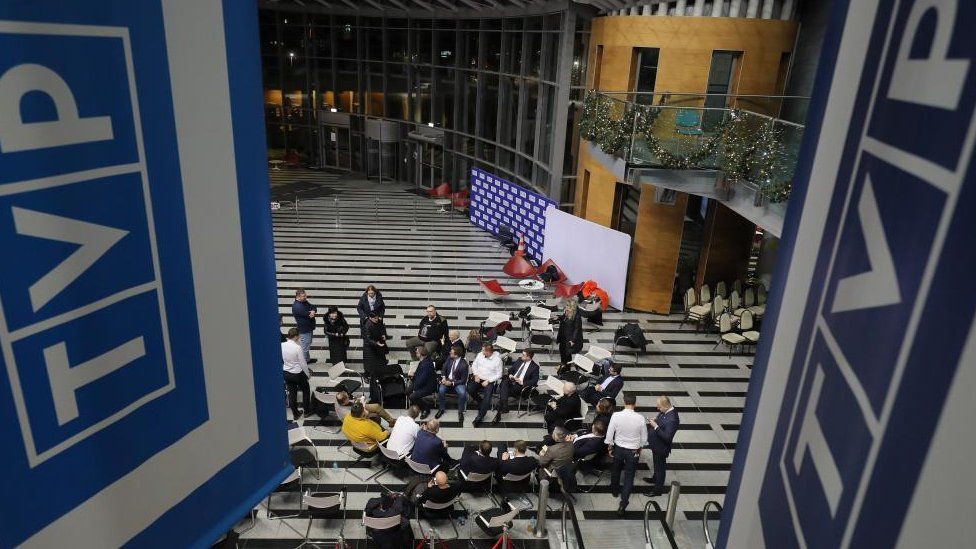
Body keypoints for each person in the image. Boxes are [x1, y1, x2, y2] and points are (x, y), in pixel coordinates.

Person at [606, 394, 648, 515]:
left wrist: (610, 446)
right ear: (635, 403)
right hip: (633, 451)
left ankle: (614, 490)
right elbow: (644, 438)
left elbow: (610, 433)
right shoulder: (640, 418)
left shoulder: (616, 415)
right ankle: (623, 503)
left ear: (624, 402)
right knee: (629, 476)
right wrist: (639, 448)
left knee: (616, 470)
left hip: (619, 448)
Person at [643, 396, 681, 497]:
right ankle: (655, 478)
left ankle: (657, 490)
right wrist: (656, 419)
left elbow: (667, 437)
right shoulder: (665, 412)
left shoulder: (672, 419)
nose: (658, 409)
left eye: (659, 407)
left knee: (660, 468)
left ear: (665, 406)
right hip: (656, 445)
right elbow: (661, 418)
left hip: (661, 447)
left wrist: (655, 426)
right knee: (656, 463)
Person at [493, 349, 540, 423]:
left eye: (523, 355)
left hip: (520, 385)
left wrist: (522, 382)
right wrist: (511, 374)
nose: (521, 356)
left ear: (529, 357)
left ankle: (500, 411)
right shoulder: (519, 360)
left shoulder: (535, 367)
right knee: (505, 382)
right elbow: (511, 370)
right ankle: (505, 406)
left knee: (504, 390)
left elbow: (534, 381)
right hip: (511, 380)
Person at [468, 343, 503, 425]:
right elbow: (474, 365)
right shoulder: (480, 355)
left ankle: (480, 416)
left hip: (489, 381)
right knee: (469, 388)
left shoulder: (497, 360)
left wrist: (489, 381)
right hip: (478, 378)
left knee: (487, 399)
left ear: (488, 352)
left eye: (483, 350)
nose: (481, 351)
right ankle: (480, 401)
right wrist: (476, 374)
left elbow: (499, 374)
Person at [282, 327, 312, 419]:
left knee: (292, 393)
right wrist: (307, 374)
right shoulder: (297, 347)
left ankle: (295, 414)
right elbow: (303, 363)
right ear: (295, 336)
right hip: (297, 373)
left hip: (286, 372)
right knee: (306, 390)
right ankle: (306, 411)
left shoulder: (282, 345)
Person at [436, 346, 469, 422]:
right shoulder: (449, 358)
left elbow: (463, 380)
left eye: (451, 352)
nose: (450, 352)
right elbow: (444, 368)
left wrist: (451, 383)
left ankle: (460, 412)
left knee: (462, 393)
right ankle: (441, 409)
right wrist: (444, 377)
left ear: (456, 355)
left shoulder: (464, 365)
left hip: (457, 382)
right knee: (441, 390)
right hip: (447, 379)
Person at [409, 346, 438, 419]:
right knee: (407, 391)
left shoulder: (426, 364)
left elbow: (422, 379)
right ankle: (418, 404)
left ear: (421, 354)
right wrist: (413, 376)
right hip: (422, 383)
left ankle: (426, 408)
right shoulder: (423, 360)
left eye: (417, 352)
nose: (416, 353)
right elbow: (418, 374)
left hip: (428, 386)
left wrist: (415, 387)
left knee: (412, 396)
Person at [291, 289, 318, 363]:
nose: (306, 297)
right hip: (304, 329)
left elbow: (313, 307)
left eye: (305, 295)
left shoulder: (304, 301)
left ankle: (307, 359)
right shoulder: (297, 306)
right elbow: (309, 315)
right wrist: (312, 312)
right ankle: (303, 363)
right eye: (303, 296)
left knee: (307, 344)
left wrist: (313, 310)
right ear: (298, 297)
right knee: (304, 347)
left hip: (308, 328)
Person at [556, 298, 583, 364]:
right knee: (562, 351)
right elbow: (564, 317)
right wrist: (559, 318)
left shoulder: (577, 316)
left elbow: (577, 329)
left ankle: (566, 367)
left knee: (567, 353)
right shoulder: (567, 311)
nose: (566, 306)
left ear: (572, 307)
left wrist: (573, 340)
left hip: (569, 338)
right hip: (563, 335)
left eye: (568, 305)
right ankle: (563, 364)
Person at [362, 312, 389, 377]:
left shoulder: (379, 321)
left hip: (378, 344)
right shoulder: (367, 326)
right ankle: (366, 376)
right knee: (369, 363)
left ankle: (380, 373)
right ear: (370, 318)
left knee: (381, 360)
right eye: (375, 318)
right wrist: (376, 343)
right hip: (369, 347)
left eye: (377, 317)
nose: (377, 319)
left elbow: (382, 328)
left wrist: (384, 335)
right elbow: (368, 339)